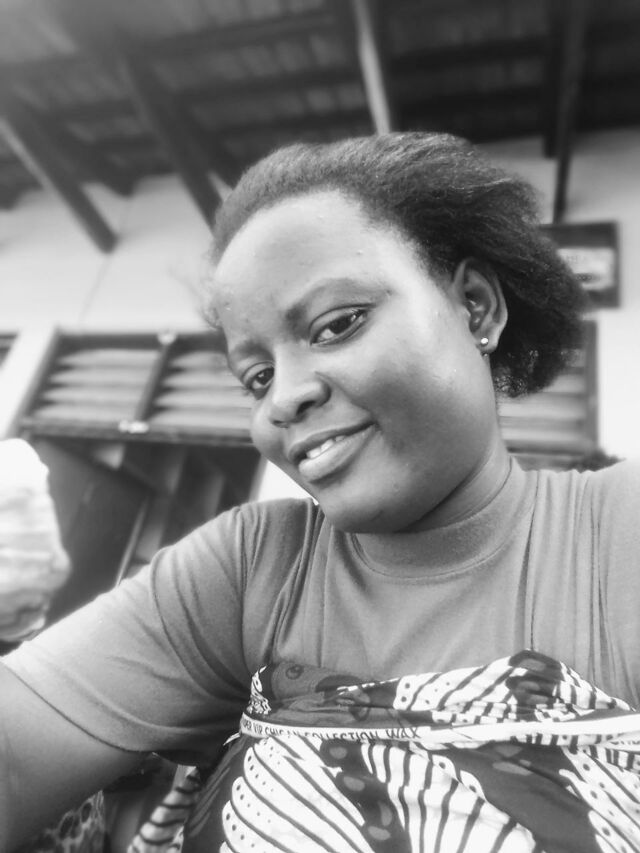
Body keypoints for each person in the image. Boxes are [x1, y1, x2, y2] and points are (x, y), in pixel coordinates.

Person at [2, 132, 640, 853]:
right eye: (257, 377)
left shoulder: (617, 538)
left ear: (475, 306)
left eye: (336, 325)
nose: (285, 397)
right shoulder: (251, 570)